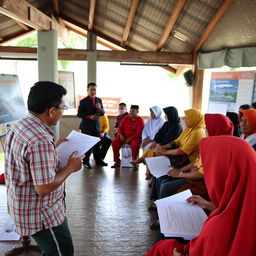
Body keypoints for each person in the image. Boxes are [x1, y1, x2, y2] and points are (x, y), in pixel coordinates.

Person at [4, 81, 84, 256]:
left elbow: (24, 160)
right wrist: (70, 167)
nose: (63, 112)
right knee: (61, 251)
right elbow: (43, 188)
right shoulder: (40, 140)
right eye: (63, 107)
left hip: (20, 204)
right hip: (42, 216)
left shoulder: (19, 125)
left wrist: (53, 149)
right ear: (51, 110)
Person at [146, 136, 256, 256]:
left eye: (211, 169)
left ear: (226, 173)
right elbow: (236, 213)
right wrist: (209, 205)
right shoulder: (246, 197)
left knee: (163, 246)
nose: (208, 175)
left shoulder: (217, 228)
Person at [131, 106, 183, 179]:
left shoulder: (177, 127)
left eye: (166, 115)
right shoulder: (167, 123)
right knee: (152, 147)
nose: (165, 116)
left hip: (170, 148)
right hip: (163, 144)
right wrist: (155, 141)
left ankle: (147, 168)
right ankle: (148, 170)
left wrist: (159, 144)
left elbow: (171, 140)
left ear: (171, 115)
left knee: (153, 151)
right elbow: (159, 134)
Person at [77, 82, 105, 169]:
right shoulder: (83, 101)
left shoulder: (99, 100)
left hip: (96, 126)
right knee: (87, 145)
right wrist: (89, 117)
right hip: (86, 126)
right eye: (91, 89)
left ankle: (98, 160)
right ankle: (86, 162)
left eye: (95, 89)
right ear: (87, 90)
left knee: (97, 144)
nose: (93, 91)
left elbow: (103, 113)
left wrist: (100, 108)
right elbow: (79, 114)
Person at [111, 105, 144, 170]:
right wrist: (121, 135)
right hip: (124, 136)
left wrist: (130, 138)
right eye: (130, 111)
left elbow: (139, 132)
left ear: (137, 112)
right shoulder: (126, 118)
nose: (131, 113)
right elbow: (120, 128)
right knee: (114, 143)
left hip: (135, 138)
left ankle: (134, 163)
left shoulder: (140, 120)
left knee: (135, 145)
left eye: (133, 111)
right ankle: (117, 161)